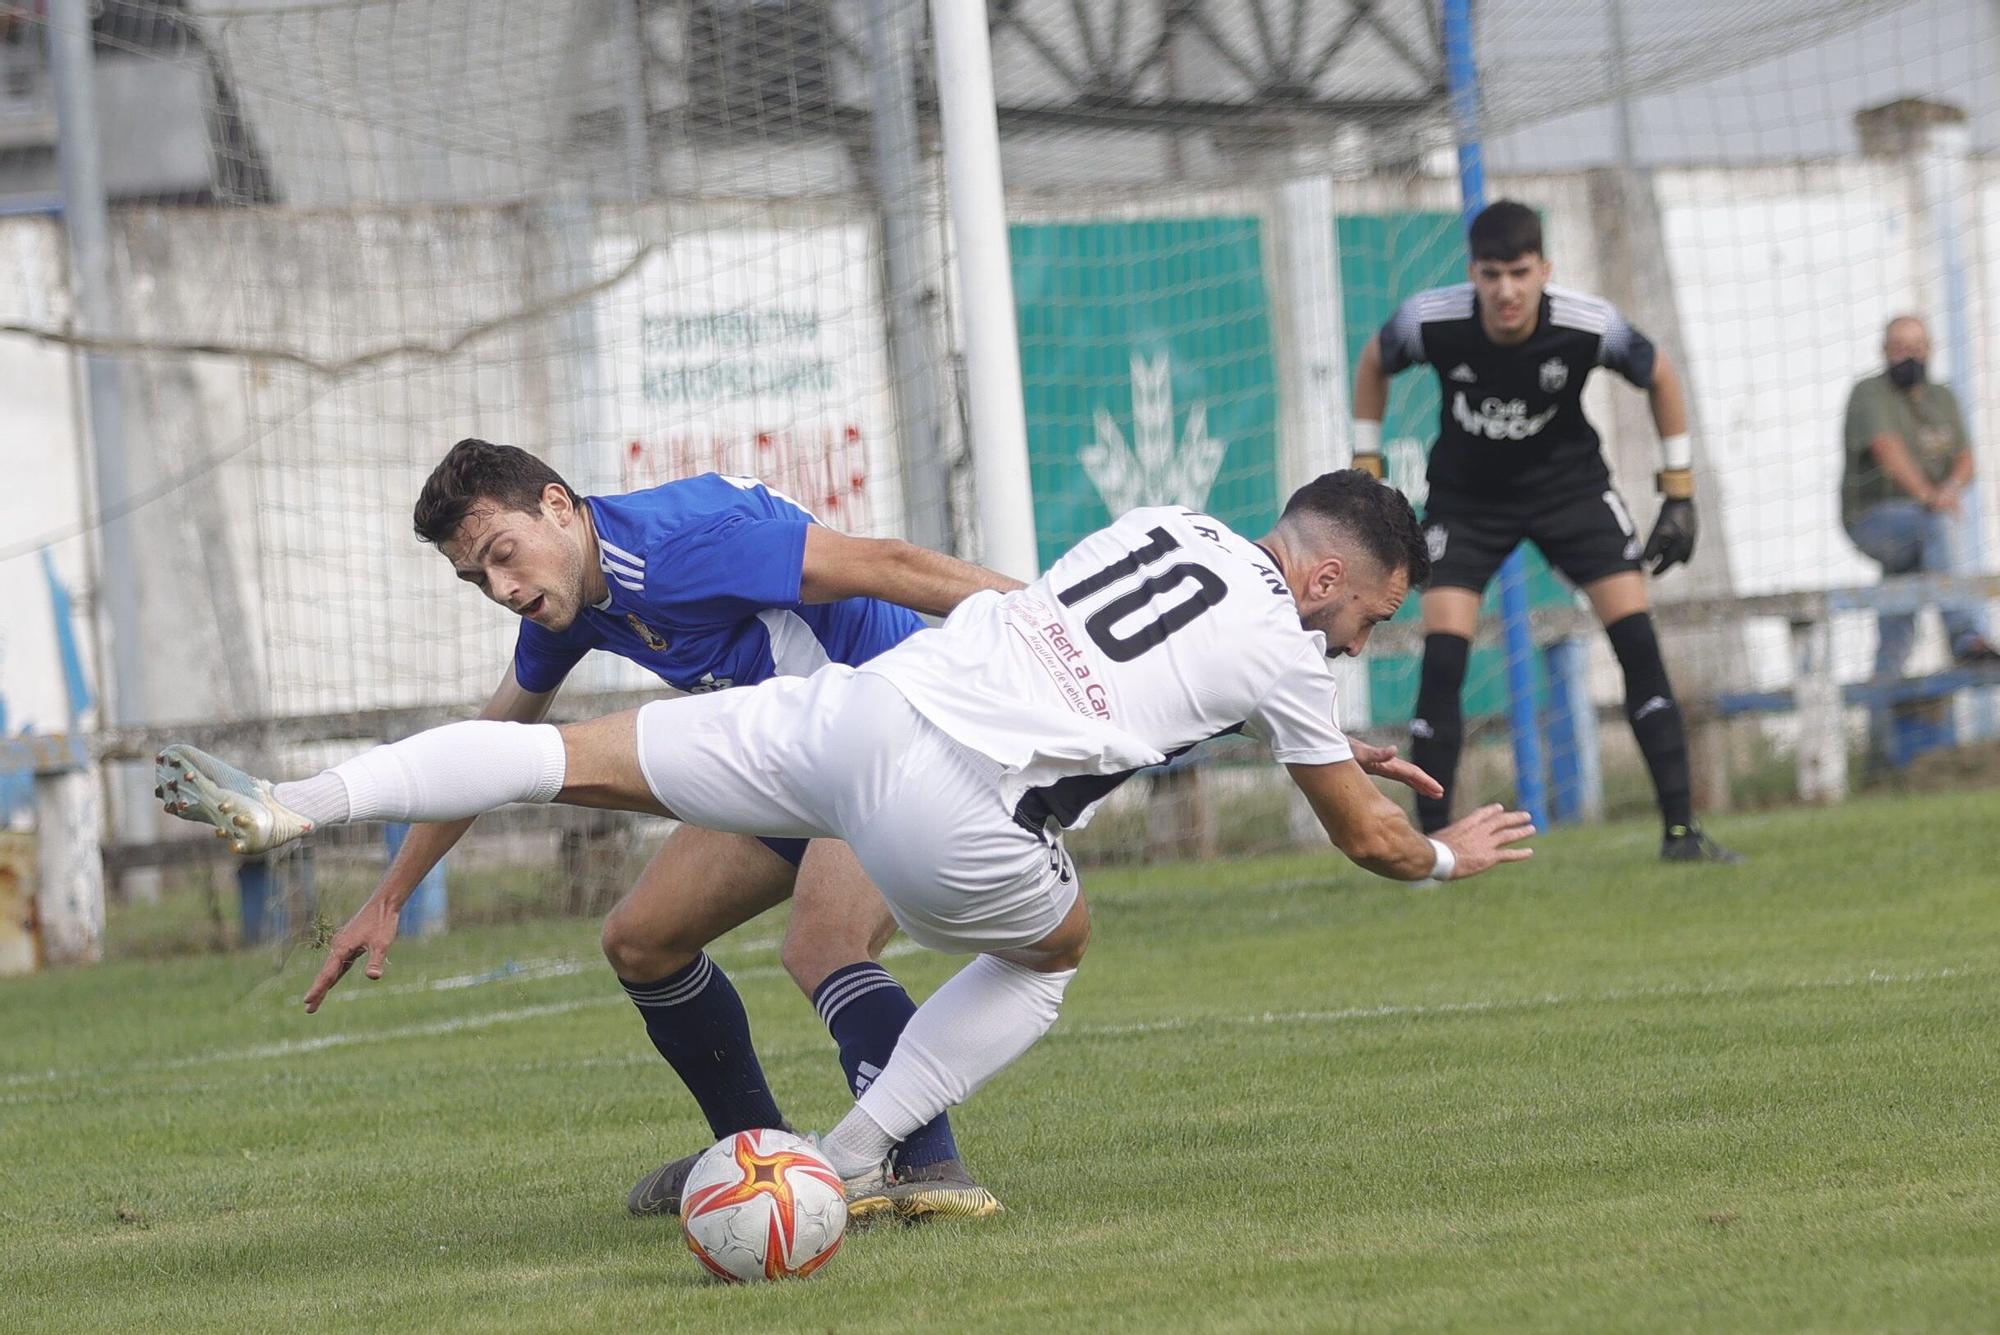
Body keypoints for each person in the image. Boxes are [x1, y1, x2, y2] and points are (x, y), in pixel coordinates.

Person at [156, 470, 1535, 1198]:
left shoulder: (1164, 524)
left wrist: (1269, 712)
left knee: (596, 793)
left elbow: (959, 593)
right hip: (931, 778)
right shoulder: (1290, 649)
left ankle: (292, 800)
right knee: (1049, 951)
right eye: (1376, 612)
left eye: (504, 554)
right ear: (1332, 577)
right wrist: (1455, 852)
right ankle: (846, 1153)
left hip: (851, 712)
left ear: (561, 506)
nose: (1370, 635)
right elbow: (1366, 838)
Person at [299, 438, 1021, 1221]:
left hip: (895, 740)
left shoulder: (684, 546)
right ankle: (757, 1159)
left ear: (555, 505)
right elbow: (490, 746)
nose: (502, 587)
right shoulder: (566, 602)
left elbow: (891, 564)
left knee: (824, 941)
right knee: (642, 940)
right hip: (790, 761)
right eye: (477, 578)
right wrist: (392, 894)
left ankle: (929, 1163)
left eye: (503, 555)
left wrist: (1052, 626)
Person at [1349, 199, 1739, 863]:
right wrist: (1366, 468)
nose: (1506, 289)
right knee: (1444, 660)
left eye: (1520, 273)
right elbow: (1373, 363)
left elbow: (1661, 374)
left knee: (1638, 644)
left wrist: (1678, 490)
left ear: (1544, 270)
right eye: (1492, 273)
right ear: (1472, 271)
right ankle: (1432, 847)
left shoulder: (1588, 324)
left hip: (1573, 494)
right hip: (1467, 501)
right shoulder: (1430, 318)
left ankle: (1682, 833)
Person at [1841, 314, 1998, 683]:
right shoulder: (1869, 392)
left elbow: (1966, 460)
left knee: (1898, 606)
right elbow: (1887, 448)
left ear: (1929, 351)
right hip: (1873, 519)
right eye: (1898, 348)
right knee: (1934, 525)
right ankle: (1965, 637)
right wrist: (1931, 497)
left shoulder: (1942, 397)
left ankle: (1882, 706)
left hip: (1918, 526)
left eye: (1915, 348)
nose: (1907, 356)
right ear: (1883, 351)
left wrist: (1949, 490)